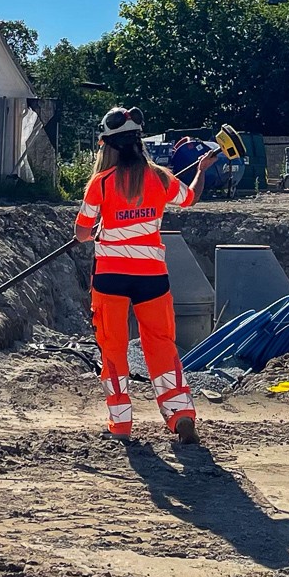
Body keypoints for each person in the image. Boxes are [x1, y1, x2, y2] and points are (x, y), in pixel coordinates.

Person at [75, 105, 204, 442]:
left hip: (111, 278)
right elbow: (189, 198)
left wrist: (103, 226)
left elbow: (82, 233)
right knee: (161, 346)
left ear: (108, 145)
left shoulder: (100, 184)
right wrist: (201, 169)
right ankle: (180, 415)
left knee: (113, 349)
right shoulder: (161, 177)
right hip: (152, 277)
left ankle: (120, 425)